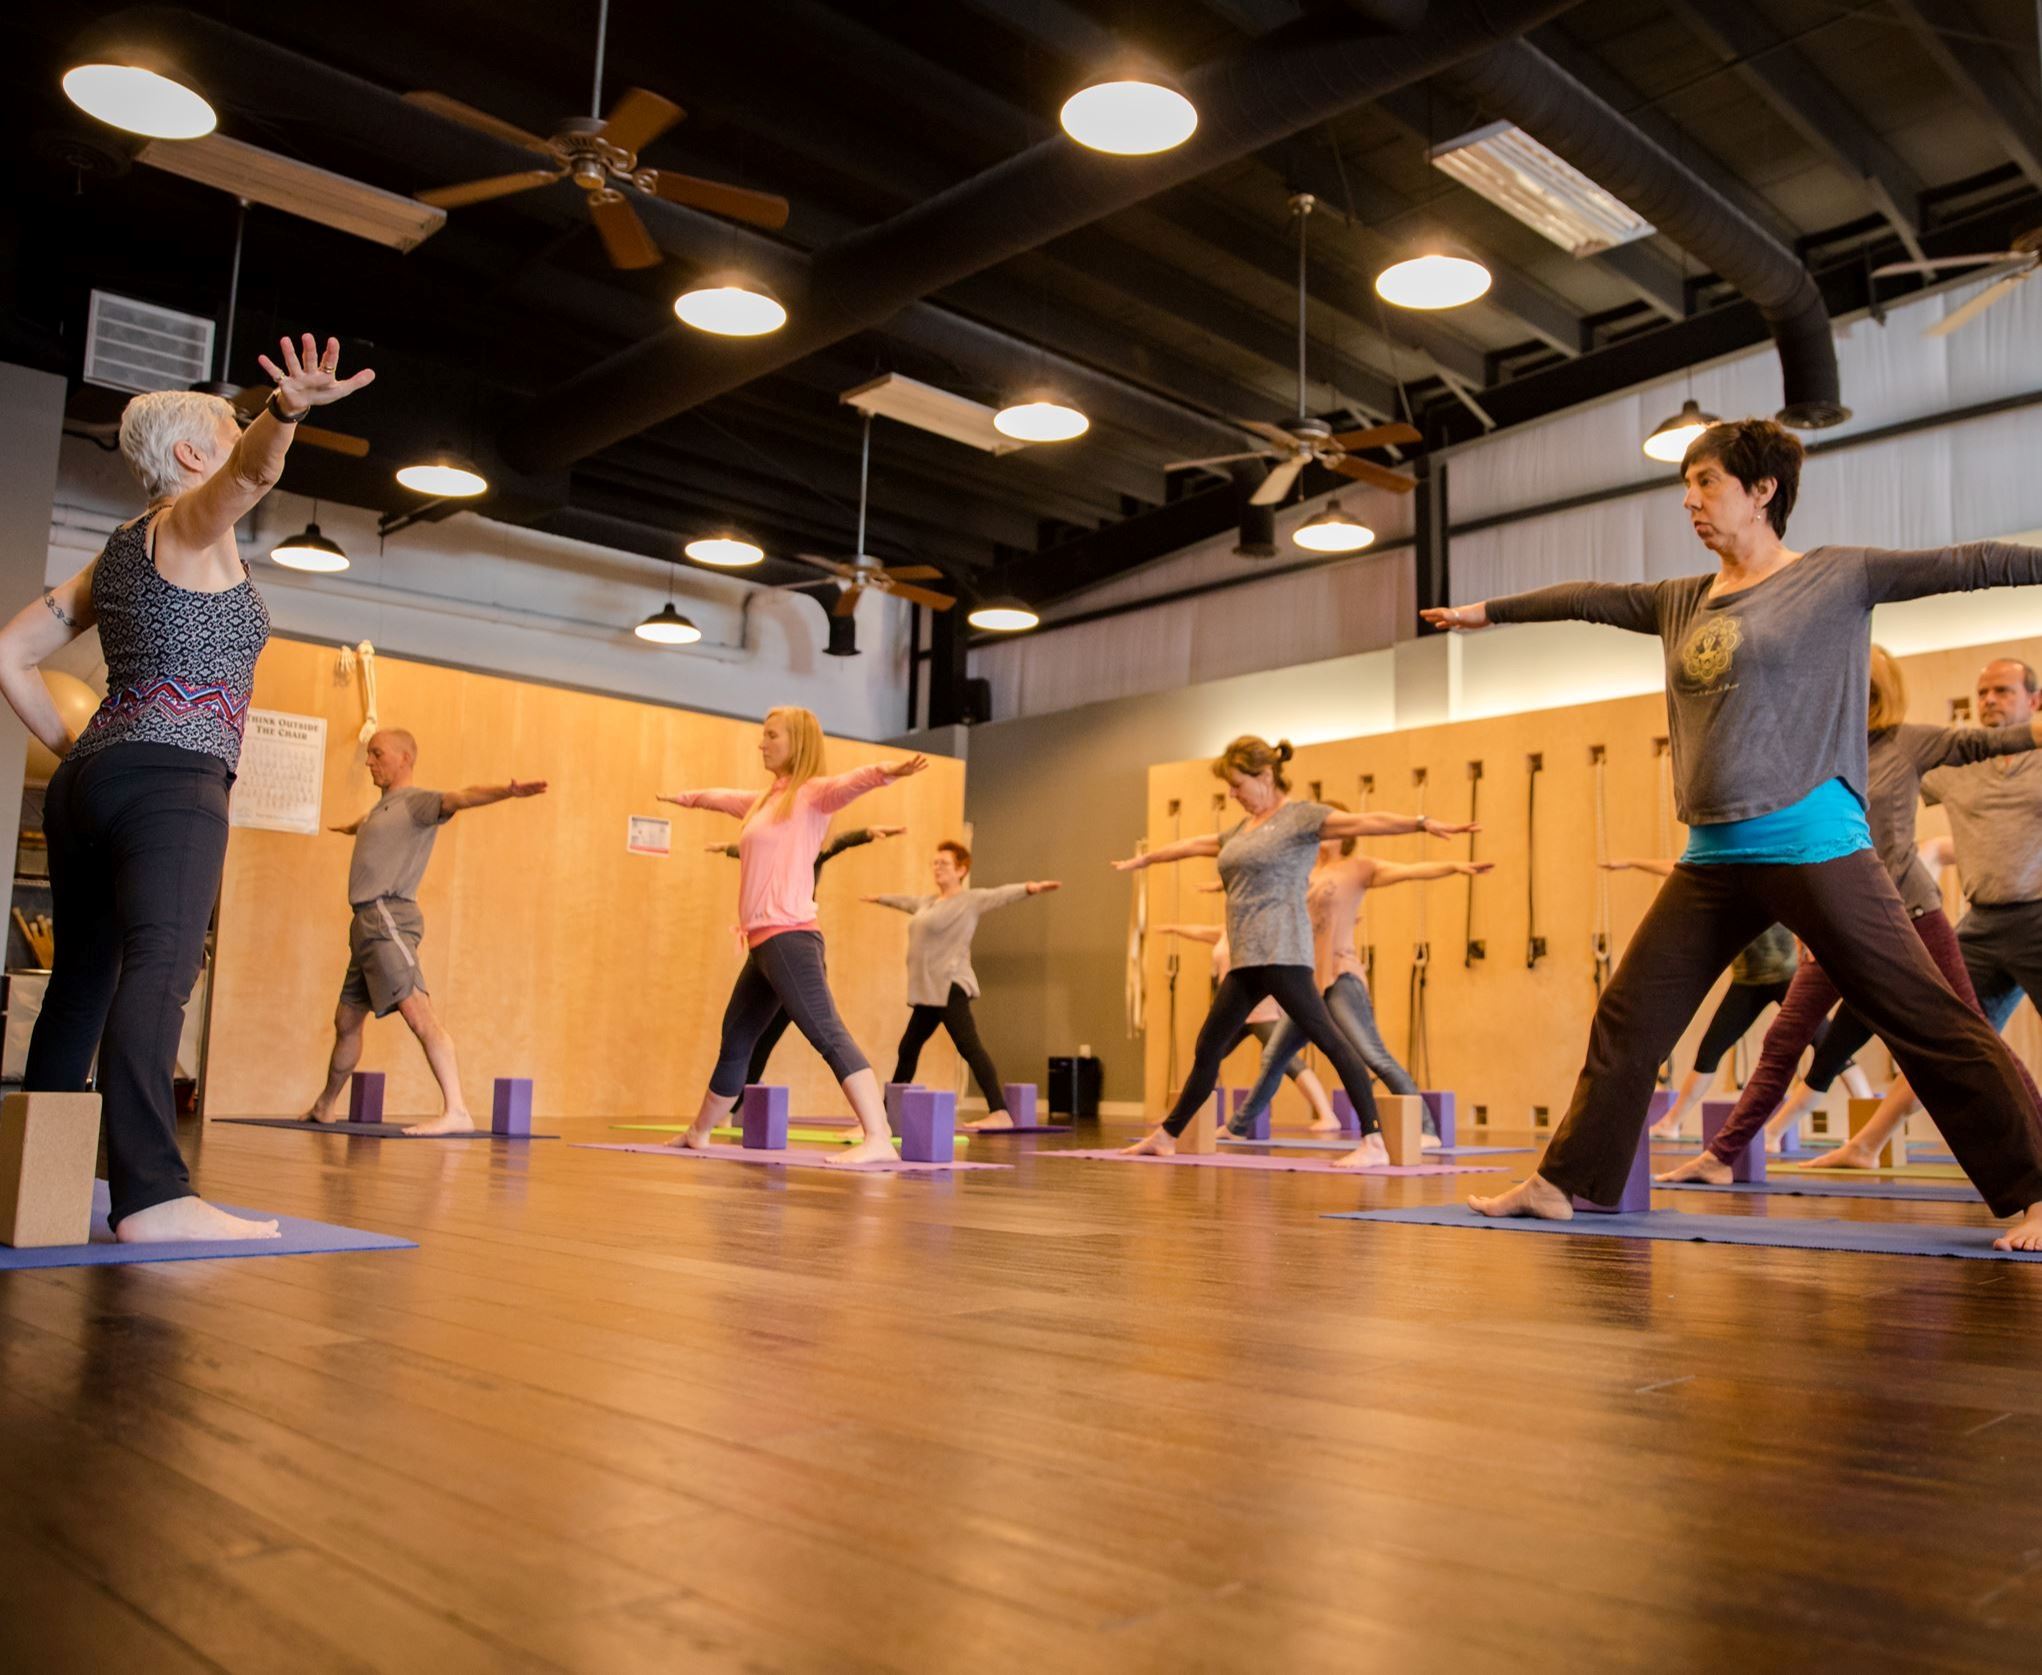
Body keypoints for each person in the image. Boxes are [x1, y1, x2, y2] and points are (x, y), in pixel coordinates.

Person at [1423, 416, 2042, 1248]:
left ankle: (2035, 1189)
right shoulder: (1681, 600)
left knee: (1926, 1015)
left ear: (1763, 491)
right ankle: (1563, 1181)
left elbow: (1967, 564)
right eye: (1688, 484)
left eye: (1707, 481)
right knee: (1630, 1015)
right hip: (1714, 856)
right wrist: (1486, 613)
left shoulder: (1834, 578)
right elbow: (1591, 598)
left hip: (1815, 846)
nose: (1691, 500)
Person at [0, 334, 372, 1241]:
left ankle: (33, 1188)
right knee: (160, 972)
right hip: (171, 780)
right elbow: (247, 478)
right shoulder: (190, 521)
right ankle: (153, 1198)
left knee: (81, 984)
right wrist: (285, 412)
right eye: (230, 429)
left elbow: (8, 653)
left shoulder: (115, 555)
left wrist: (81, 747)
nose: (242, 440)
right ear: (194, 456)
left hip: (90, 782)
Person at [1111, 735, 1475, 1169]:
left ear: (1265, 776)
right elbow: (1195, 845)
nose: (1232, 794)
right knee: (1208, 1046)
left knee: (1333, 1043)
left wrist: (1420, 822)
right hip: (1247, 959)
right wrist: (1148, 859)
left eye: (1237, 784)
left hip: (1284, 954)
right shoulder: (1239, 831)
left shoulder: (1302, 819)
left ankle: (1374, 1140)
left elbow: (1364, 822)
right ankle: (1168, 1135)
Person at [1799, 656, 2042, 1170]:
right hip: (1981, 921)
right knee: (1947, 1037)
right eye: (1983, 693)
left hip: (2038, 919)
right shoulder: (1961, 769)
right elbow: (1891, 799)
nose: (1989, 701)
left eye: (2002, 691)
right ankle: (1867, 1145)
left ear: (2034, 702)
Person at [660, 708, 926, 1165]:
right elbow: (722, 797)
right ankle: (699, 1132)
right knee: (737, 1039)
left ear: (796, 742)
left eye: (770, 737)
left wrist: (889, 772)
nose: (761, 745)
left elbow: (854, 780)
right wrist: (685, 798)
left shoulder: (813, 795)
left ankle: (878, 1135)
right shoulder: (766, 799)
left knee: (825, 1032)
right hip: (761, 943)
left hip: (791, 940)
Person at [302, 729, 548, 1135]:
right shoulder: (381, 811)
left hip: (388, 918)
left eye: (377, 753)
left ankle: (457, 1111)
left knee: (418, 1013)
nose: (369, 762)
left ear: (404, 758)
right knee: (346, 1020)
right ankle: (325, 1105)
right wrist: (353, 828)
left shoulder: (417, 803)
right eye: (368, 755)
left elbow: (462, 797)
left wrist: (507, 791)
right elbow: (370, 829)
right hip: (364, 924)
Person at [1232, 817, 1489, 1140]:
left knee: (1373, 1055)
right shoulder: (1304, 873)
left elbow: (1409, 871)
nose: (1320, 835)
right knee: (1274, 1056)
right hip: (1308, 983)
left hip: (1341, 976)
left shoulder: (1357, 869)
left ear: (1342, 836)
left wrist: (1454, 866)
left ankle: (1426, 1129)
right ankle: (1238, 1127)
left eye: (1326, 830)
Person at [1601, 858, 1817, 1135]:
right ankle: (1672, 1122)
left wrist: (1810, 942)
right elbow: (1681, 868)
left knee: (1826, 1044)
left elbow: (1803, 902)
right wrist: (1633, 863)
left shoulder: (1769, 870)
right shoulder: (1724, 872)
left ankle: (1862, 1106)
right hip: (1747, 981)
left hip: (1784, 977)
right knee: (1710, 1050)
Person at [862, 840, 1059, 1131]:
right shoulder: (928, 902)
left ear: (961, 870)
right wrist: (879, 897)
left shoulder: (969, 901)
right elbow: (905, 901)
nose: (937, 868)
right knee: (908, 1048)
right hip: (930, 992)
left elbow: (1000, 895)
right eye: (935, 863)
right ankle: (885, 1117)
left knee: (969, 1047)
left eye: (944, 863)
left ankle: (1000, 1112)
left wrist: (1030, 888)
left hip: (950, 985)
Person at [713, 822, 903, 1111]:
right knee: (757, 1039)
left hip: (796, 957)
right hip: (770, 953)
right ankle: (732, 1109)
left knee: (823, 1036)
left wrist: (864, 834)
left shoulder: (808, 854)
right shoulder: (775, 854)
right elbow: (753, 851)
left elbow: (836, 843)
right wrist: (727, 849)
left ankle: (874, 1124)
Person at [1152, 921, 1341, 1134]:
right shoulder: (1227, 930)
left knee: (1288, 1062)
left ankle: (1327, 1114)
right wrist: (1174, 928)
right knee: (1208, 1057)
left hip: (1262, 1011)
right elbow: (1199, 931)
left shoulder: (1262, 928)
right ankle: (1179, 1116)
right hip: (1237, 1012)